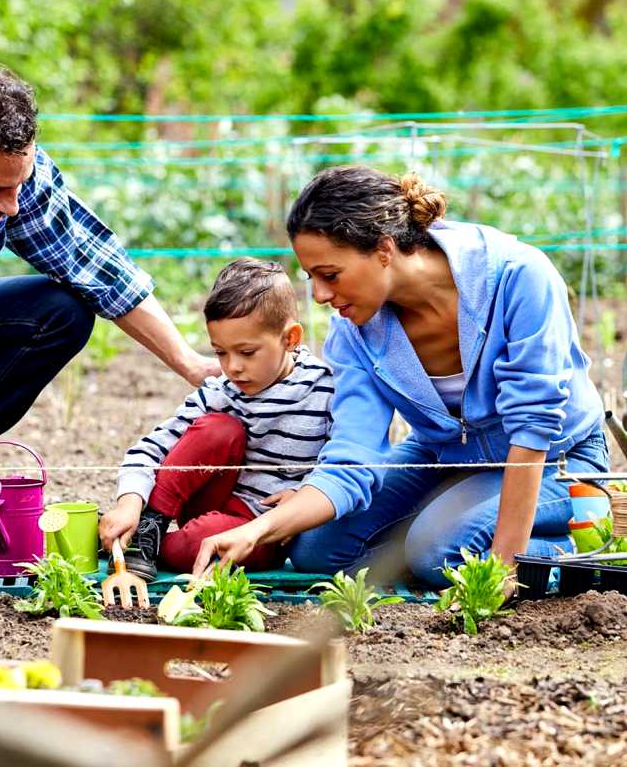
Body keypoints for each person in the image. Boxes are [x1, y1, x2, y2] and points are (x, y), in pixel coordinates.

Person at [188, 165, 608, 589]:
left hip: (558, 459)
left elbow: (532, 427)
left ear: (384, 249)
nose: (318, 295)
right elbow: (352, 456)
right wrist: (257, 530)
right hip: (445, 455)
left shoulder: (516, 276)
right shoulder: (355, 331)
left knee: (437, 554)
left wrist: (503, 568)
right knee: (316, 550)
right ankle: (443, 525)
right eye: (310, 277)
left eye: (329, 275)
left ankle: (591, 537)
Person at [0, 67, 219, 435]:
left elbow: (95, 266)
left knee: (62, 312)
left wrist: (191, 364)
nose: (13, 205)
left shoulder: (20, 176)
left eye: (18, 184)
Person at [98, 258, 334, 580]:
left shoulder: (324, 389)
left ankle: (149, 544)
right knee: (218, 428)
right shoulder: (222, 390)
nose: (232, 367)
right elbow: (152, 448)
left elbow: (342, 462)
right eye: (220, 352)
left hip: (264, 529)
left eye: (247, 352)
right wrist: (130, 502)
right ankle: (146, 528)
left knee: (199, 542)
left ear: (290, 339)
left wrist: (304, 494)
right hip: (211, 499)